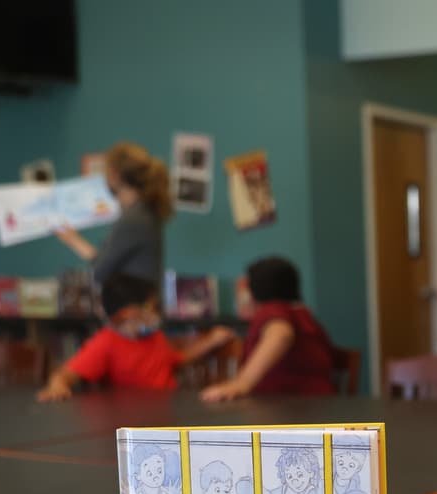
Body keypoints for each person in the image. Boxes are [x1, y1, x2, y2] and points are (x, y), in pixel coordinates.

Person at [36, 273, 234, 401]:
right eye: (153, 307)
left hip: (167, 409)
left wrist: (211, 341)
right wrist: (57, 386)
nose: (157, 313)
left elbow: (177, 359)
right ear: (128, 313)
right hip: (135, 418)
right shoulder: (106, 342)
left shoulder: (154, 336)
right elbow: (66, 374)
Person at [200, 257, 335, 401]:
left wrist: (241, 383)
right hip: (317, 400)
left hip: (292, 405)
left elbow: (281, 335)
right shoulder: (301, 313)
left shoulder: (273, 310)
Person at [56, 142, 171, 285]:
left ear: (114, 175)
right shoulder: (143, 213)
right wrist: (72, 239)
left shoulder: (134, 218)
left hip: (132, 303)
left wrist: (73, 240)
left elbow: (101, 271)